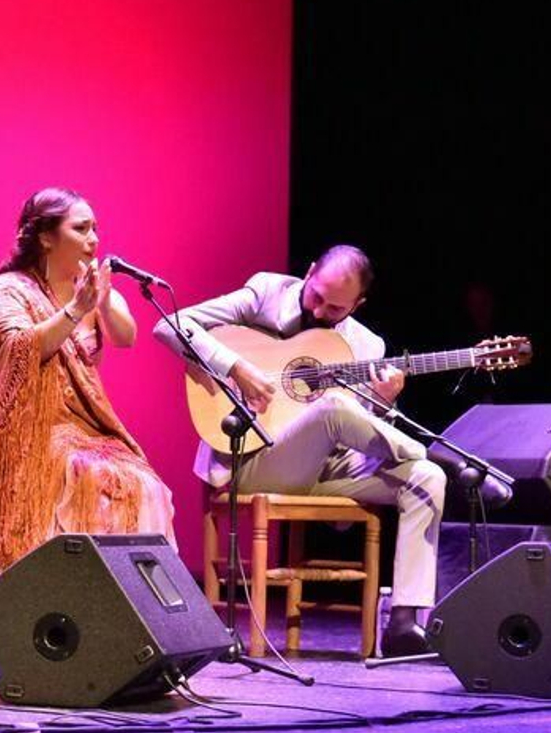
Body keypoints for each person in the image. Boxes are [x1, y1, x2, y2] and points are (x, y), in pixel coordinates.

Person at [153, 244, 506, 656]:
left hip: (328, 469)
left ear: (358, 304)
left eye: (335, 308)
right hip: (252, 459)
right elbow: (173, 325)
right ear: (309, 272)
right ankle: (438, 453)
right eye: (316, 296)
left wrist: (384, 402)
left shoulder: (366, 345)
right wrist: (238, 368)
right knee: (335, 406)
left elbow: (362, 431)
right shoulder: (266, 292)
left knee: (424, 479)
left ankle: (405, 622)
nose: (320, 311)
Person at [0, 187, 177, 594]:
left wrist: (103, 299)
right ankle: (59, 595)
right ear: (46, 236)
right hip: (18, 432)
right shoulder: (10, 289)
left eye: (95, 228)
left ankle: (117, 605)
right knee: (88, 475)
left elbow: (126, 336)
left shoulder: (89, 289)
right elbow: (20, 349)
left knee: (141, 481)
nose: (94, 239)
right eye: (81, 228)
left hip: (80, 431)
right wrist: (77, 309)